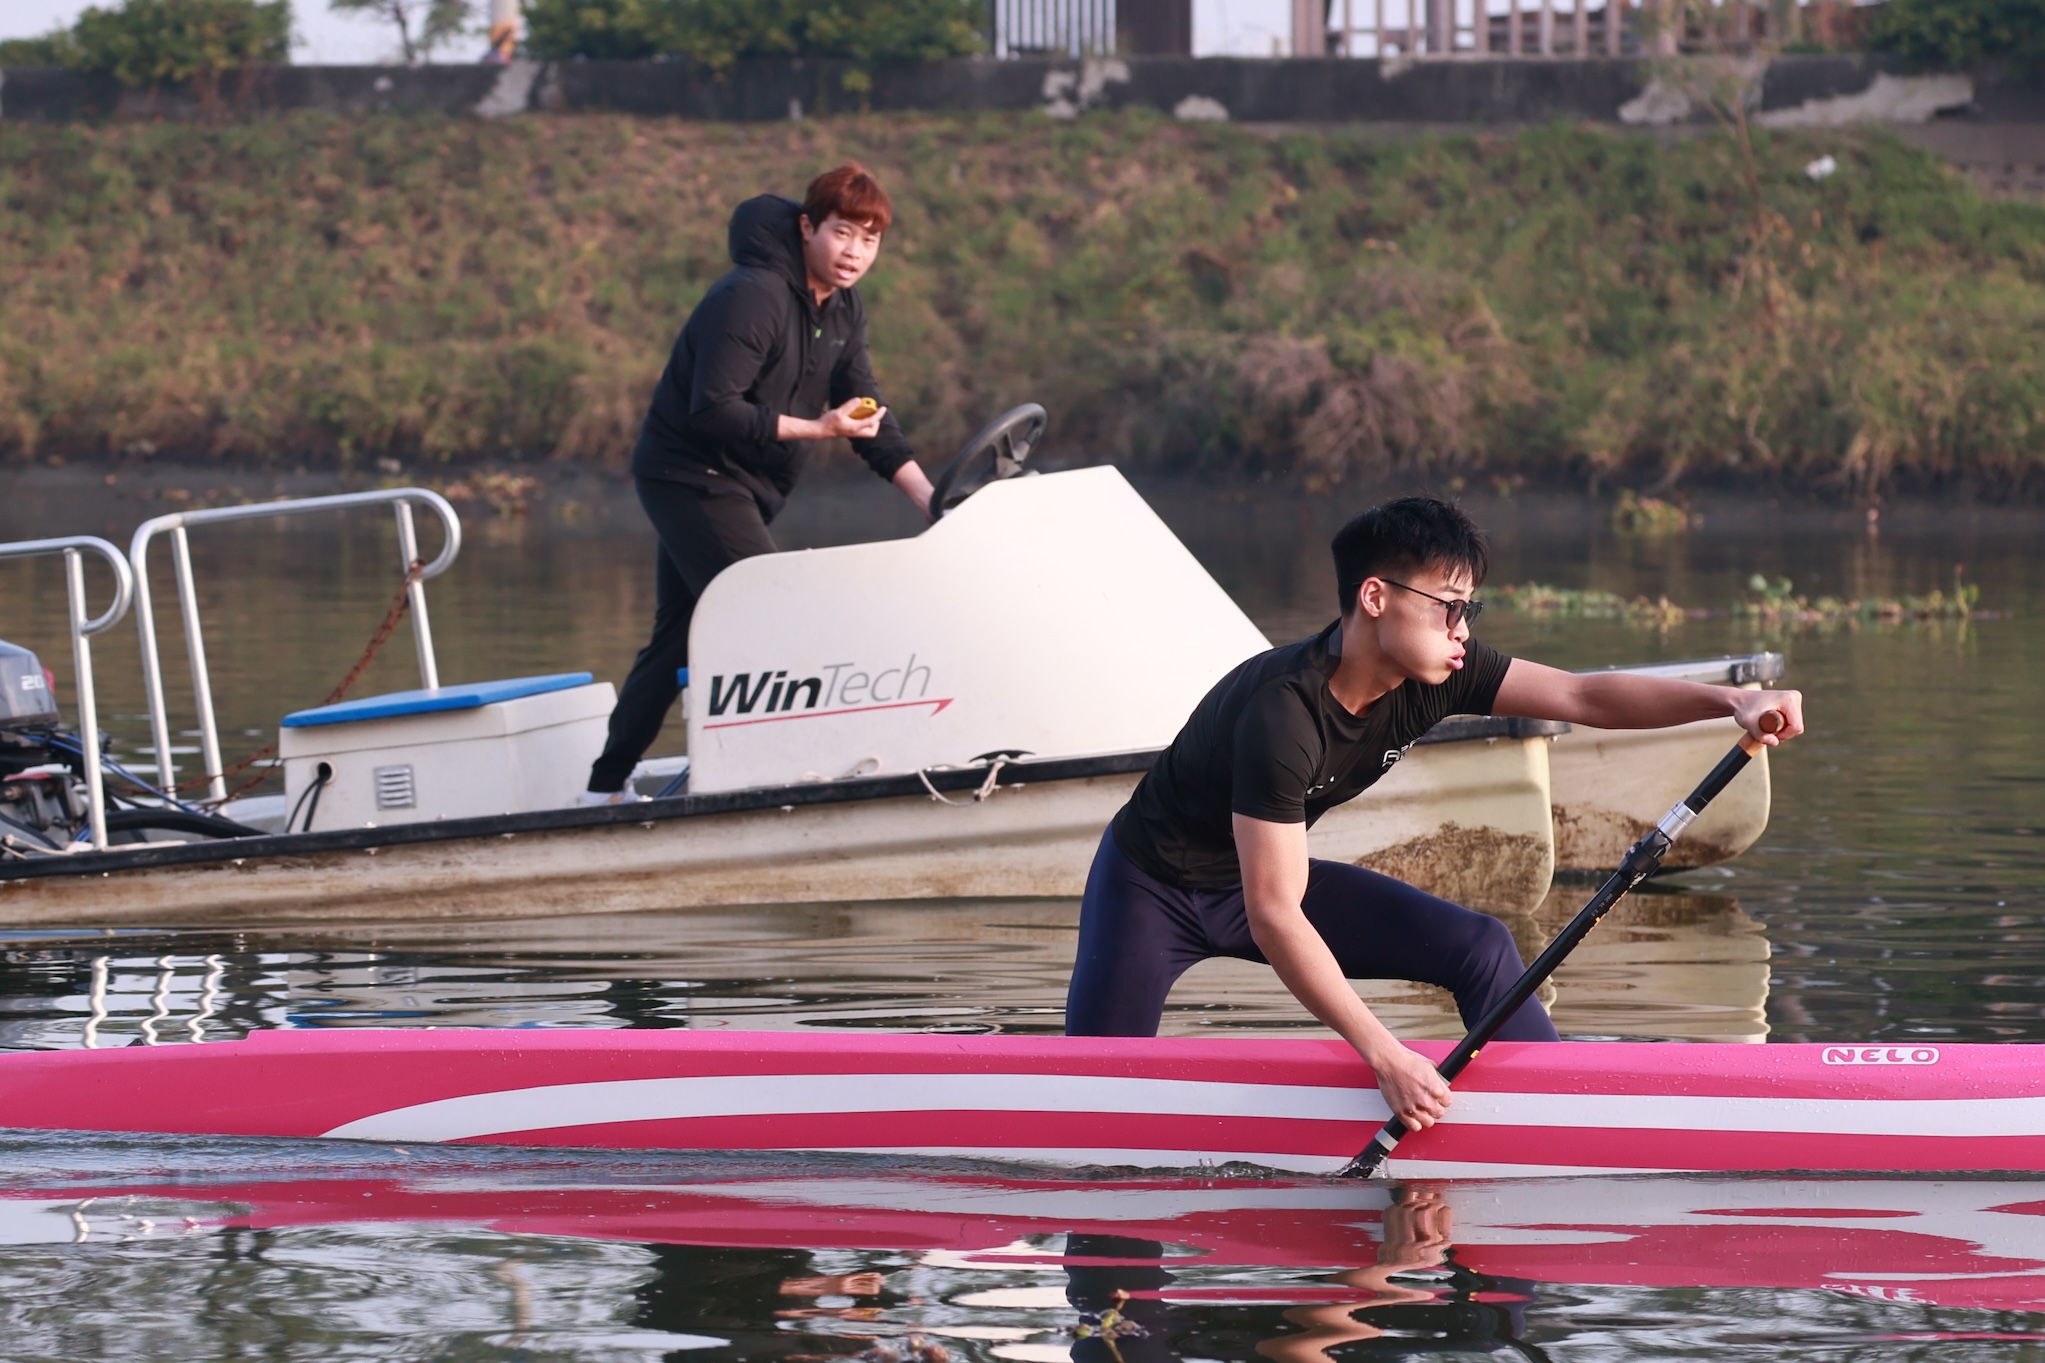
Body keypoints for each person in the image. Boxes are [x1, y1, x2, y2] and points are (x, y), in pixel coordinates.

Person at [1064, 497, 1804, 1135]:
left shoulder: (1443, 672)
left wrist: (1727, 703)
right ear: (1375, 597)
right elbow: (1275, 915)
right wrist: (1385, 1055)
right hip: (1150, 889)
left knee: (1478, 945)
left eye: (1468, 609)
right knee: (1092, 1096)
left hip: (1256, 881)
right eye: (1447, 606)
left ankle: (1557, 1112)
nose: (1462, 627)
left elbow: (1583, 697)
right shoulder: (1281, 712)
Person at [582, 163, 935, 803]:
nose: (855, 252)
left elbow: (866, 412)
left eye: (870, 239)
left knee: (680, 635)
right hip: (689, 474)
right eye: (841, 233)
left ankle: (603, 789)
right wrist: (816, 428)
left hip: (745, 484)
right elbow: (711, 409)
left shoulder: (843, 306)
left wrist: (933, 501)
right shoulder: (753, 296)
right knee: (773, 614)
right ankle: (779, 776)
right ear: (807, 228)